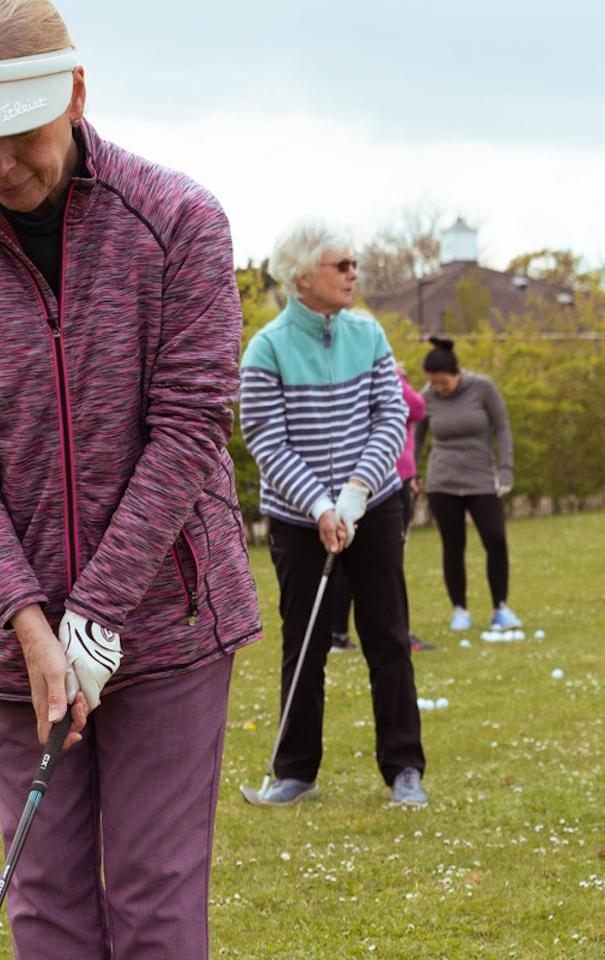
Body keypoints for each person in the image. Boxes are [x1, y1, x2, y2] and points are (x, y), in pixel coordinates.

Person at [0, 2, 262, 956]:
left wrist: (96, 613)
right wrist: (30, 621)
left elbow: (189, 426)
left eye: (21, 139)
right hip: (11, 633)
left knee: (155, 903)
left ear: (76, 95)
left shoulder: (179, 222)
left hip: (169, 620)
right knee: (45, 903)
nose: (2, 168)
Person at [239, 221, 428, 809]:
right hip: (298, 520)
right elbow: (265, 439)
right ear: (302, 277)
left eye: (353, 264)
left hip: (370, 506)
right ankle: (296, 772)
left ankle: (404, 769)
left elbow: (390, 417)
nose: (353, 273)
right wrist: (320, 506)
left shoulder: (369, 334)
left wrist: (353, 493)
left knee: (388, 636)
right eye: (340, 265)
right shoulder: (267, 348)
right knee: (306, 642)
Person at [414, 336, 523, 632]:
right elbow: (418, 435)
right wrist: (411, 472)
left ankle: (500, 608)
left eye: (443, 384)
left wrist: (505, 470)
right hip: (442, 481)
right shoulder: (428, 396)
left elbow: (502, 427)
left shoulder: (483, 388)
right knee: (453, 545)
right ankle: (459, 609)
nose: (438, 389)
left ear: (457, 373)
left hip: (482, 479)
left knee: (495, 539)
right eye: (433, 384)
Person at [328, 362, 434, 653]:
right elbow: (417, 408)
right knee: (386, 564)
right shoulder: (386, 376)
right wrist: (397, 373)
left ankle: (338, 634)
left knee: (350, 557)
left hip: (380, 479)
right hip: (387, 481)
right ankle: (393, 633)